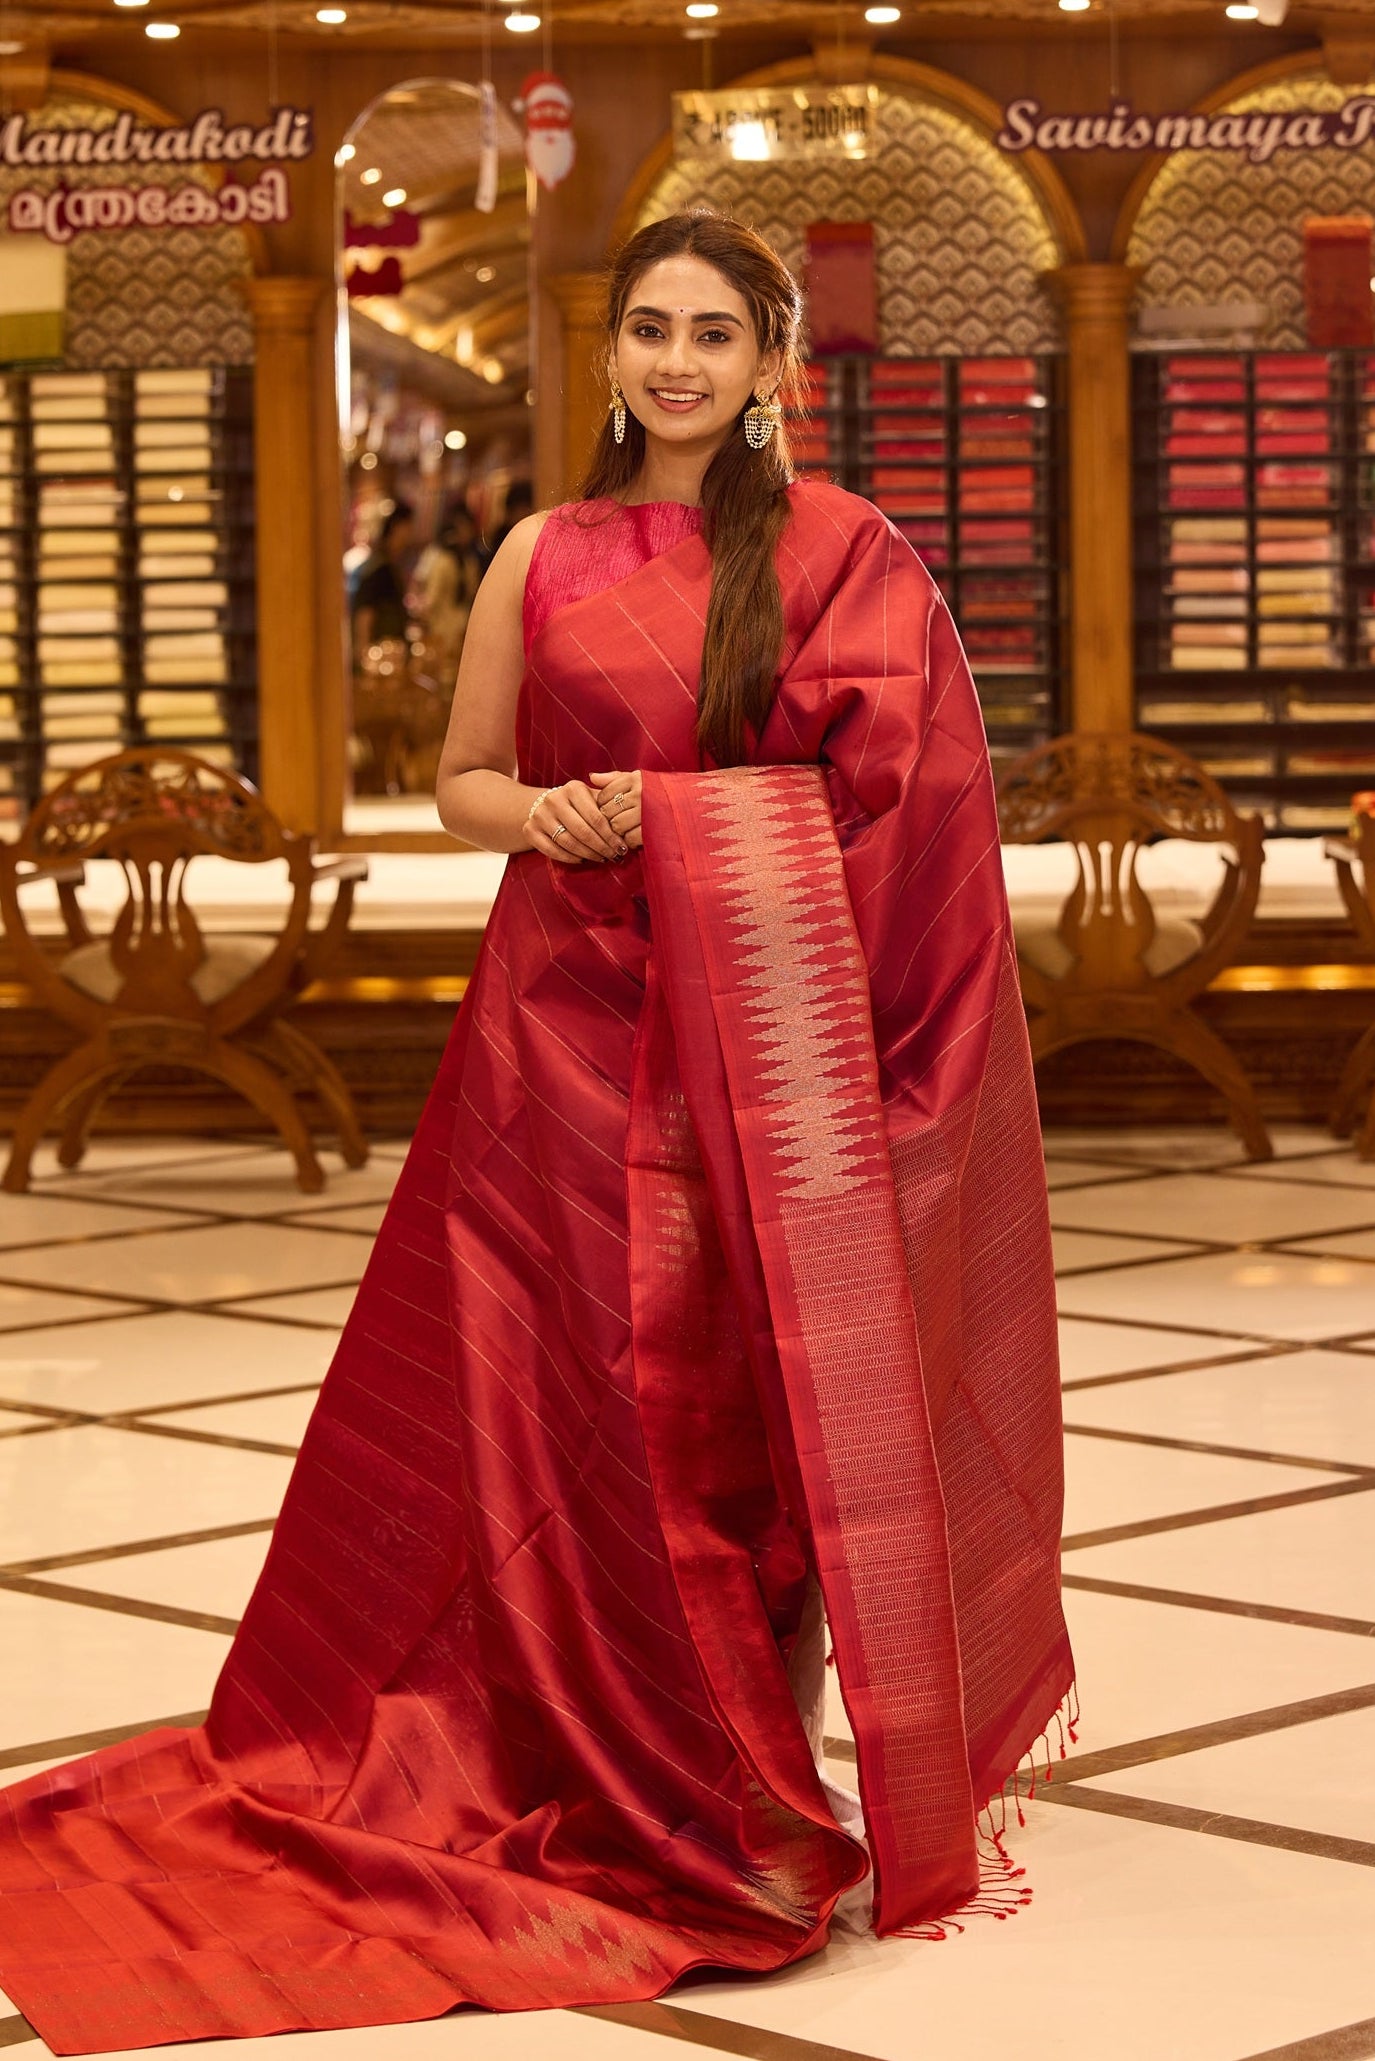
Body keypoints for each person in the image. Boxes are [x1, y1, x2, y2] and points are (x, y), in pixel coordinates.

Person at [0, 210, 1071, 2054]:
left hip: (779, 1063)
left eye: (714, 334)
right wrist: (557, 815)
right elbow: (462, 782)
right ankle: (576, 1766)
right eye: (650, 327)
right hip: (562, 1037)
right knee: (563, 1410)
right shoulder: (539, 551)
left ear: (770, 365)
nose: (675, 363)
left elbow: (915, 809)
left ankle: (732, 1791)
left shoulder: (845, 558)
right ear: (613, 353)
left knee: (737, 1408)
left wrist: (692, 834)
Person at [350, 498, 415, 659]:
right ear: (396, 526)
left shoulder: (386, 564)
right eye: (408, 526)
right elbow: (364, 616)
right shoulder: (380, 568)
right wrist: (365, 657)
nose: (411, 533)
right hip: (381, 659)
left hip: (388, 656)